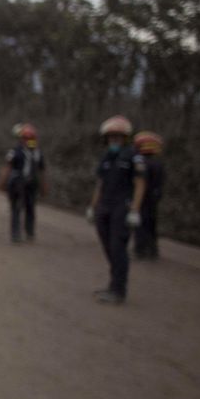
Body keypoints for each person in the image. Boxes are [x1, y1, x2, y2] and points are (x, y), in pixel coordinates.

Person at [85, 115, 146, 304]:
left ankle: (119, 290)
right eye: (111, 137)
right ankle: (113, 283)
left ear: (125, 138)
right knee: (107, 245)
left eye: (117, 137)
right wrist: (92, 206)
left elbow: (140, 184)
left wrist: (135, 210)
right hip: (105, 206)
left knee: (118, 247)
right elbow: (100, 183)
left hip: (122, 207)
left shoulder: (133, 157)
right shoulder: (106, 157)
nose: (114, 140)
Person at [0, 123, 46, 243]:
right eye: (27, 139)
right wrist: (3, 182)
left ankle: (28, 232)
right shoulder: (15, 152)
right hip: (17, 183)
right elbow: (8, 167)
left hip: (30, 184)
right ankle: (17, 234)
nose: (29, 141)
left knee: (28, 208)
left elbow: (41, 171)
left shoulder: (37, 153)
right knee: (17, 208)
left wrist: (43, 186)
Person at [132, 131, 165, 260]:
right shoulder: (158, 163)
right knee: (152, 223)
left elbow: (140, 182)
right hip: (154, 197)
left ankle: (140, 249)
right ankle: (152, 250)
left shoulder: (142, 163)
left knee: (140, 223)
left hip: (143, 197)